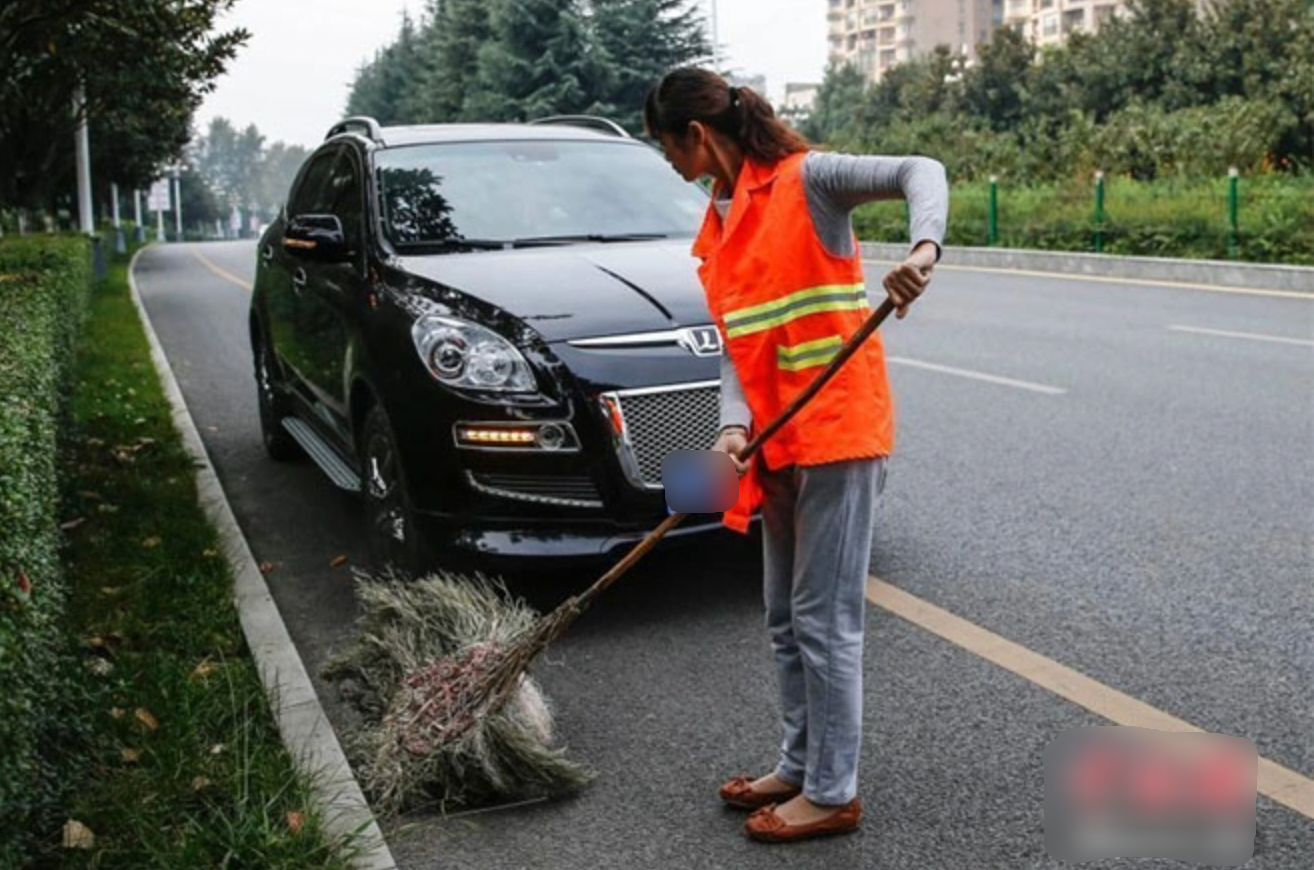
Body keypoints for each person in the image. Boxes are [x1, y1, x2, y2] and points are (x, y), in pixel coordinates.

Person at [644, 67, 949, 844]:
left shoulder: (810, 180)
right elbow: (738, 349)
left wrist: (924, 249)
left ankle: (835, 792)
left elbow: (923, 171)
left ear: (698, 136)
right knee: (784, 617)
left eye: (667, 148)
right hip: (776, 444)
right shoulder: (718, 222)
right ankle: (799, 765)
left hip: (840, 433)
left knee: (825, 619)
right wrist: (730, 428)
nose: (670, 164)